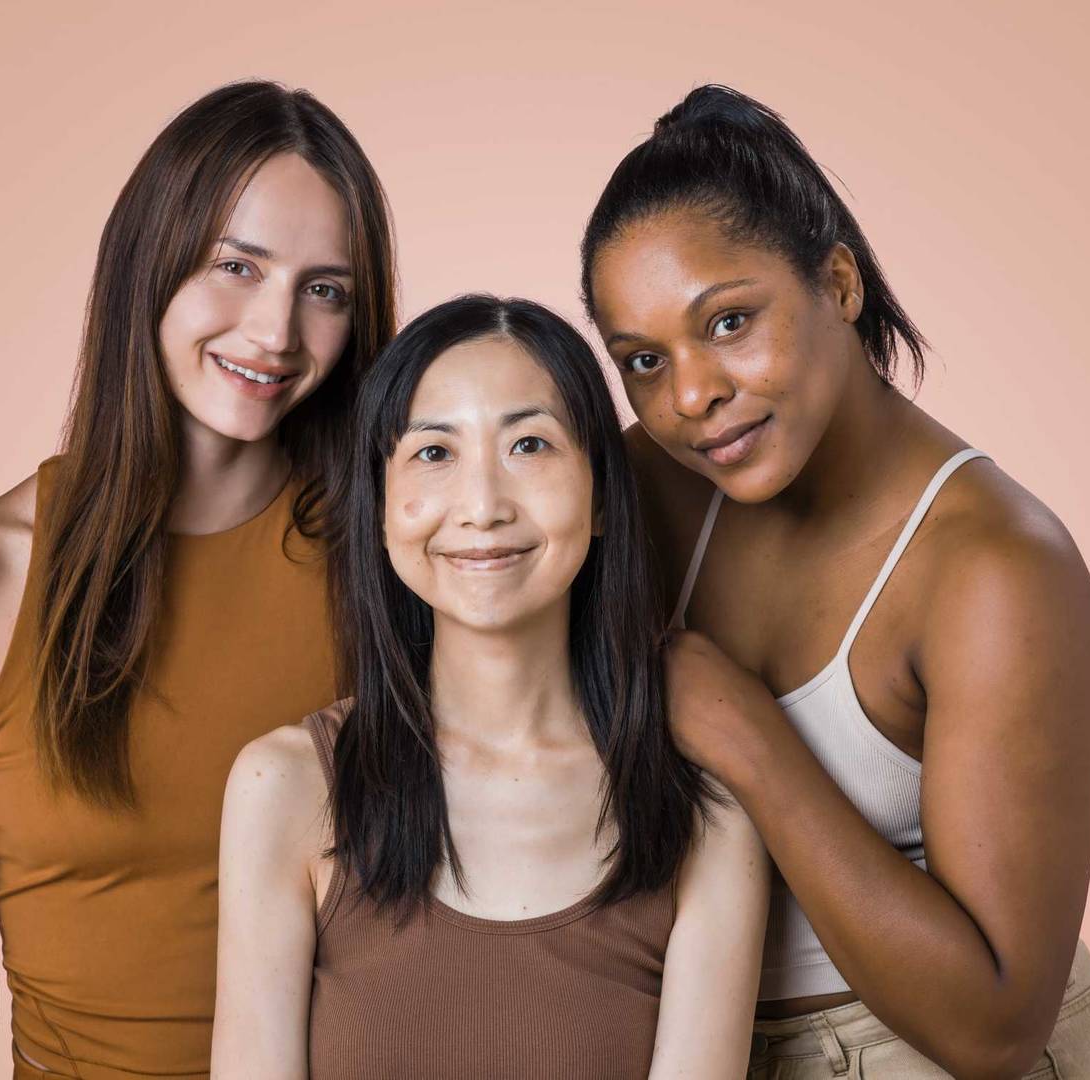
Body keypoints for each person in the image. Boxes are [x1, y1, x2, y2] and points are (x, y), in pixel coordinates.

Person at [579, 85, 1090, 1079]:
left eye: (726, 323)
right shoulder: (651, 488)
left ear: (838, 283)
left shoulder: (991, 568)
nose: (689, 395)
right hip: (706, 1045)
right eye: (642, 358)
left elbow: (992, 1029)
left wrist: (747, 740)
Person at [0, 80, 396, 1079]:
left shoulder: (394, 560)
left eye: (323, 289)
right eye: (236, 266)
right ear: (148, 263)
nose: (276, 332)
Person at [211, 295, 768, 1079]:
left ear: (603, 495)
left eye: (530, 445)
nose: (481, 508)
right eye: (435, 454)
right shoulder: (285, 786)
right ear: (380, 506)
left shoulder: (704, 819)